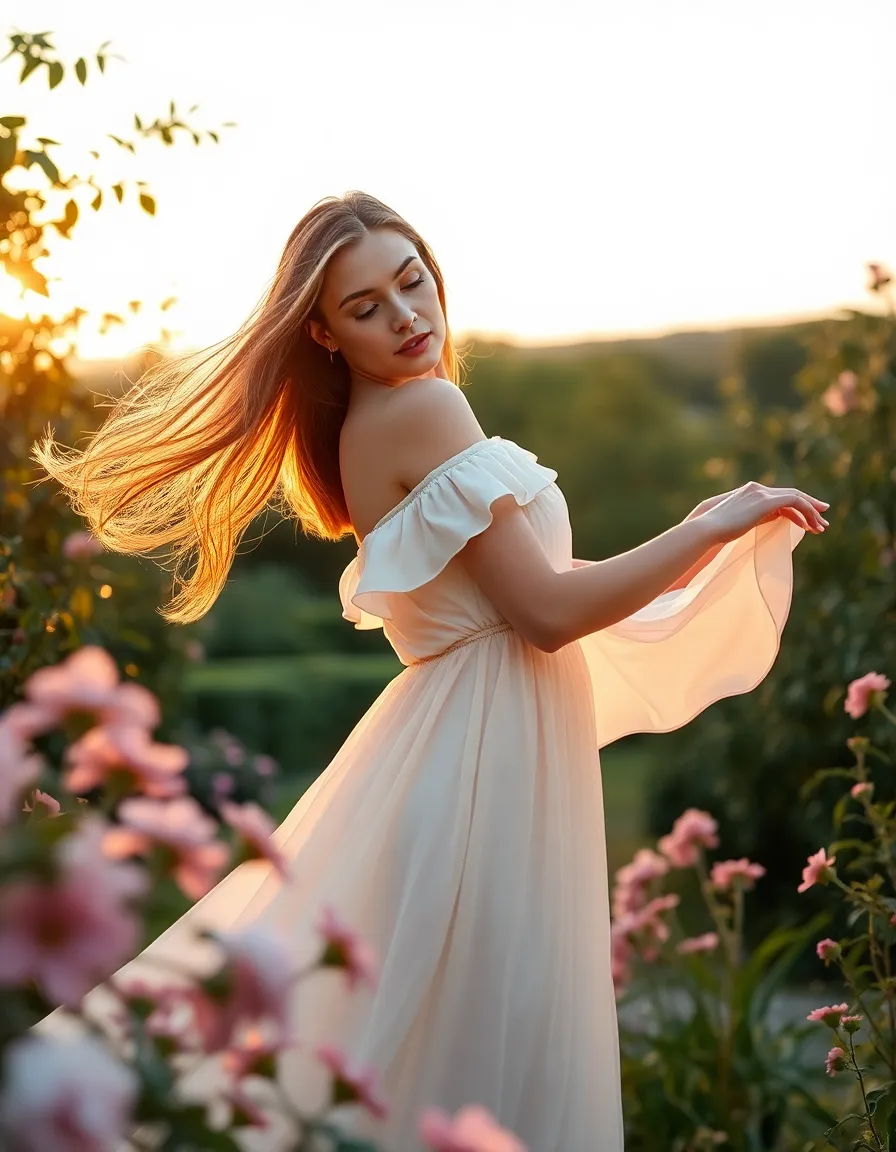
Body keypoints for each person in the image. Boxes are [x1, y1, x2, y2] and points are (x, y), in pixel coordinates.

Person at [32, 191, 829, 1151]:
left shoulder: (377, 422)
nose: (407, 316)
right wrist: (710, 527)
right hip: (485, 759)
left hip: (470, 742)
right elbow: (545, 616)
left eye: (413, 283)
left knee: (438, 1041)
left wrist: (696, 534)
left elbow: (532, 594)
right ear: (323, 334)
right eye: (366, 307)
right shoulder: (428, 409)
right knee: (486, 1044)